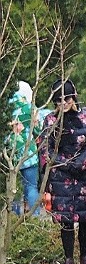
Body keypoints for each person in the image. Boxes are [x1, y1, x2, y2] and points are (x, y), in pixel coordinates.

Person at [37, 79, 86, 264]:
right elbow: (44, 148)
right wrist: (64, 163)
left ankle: (84, 259)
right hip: (62, 175)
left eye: (66, 98)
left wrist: (84, 159)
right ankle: (69, 260)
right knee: (66, 219)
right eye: (58, 100)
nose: (63, 103)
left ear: (73, 97)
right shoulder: (50, 120)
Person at [8, 81, 41, 215]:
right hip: (29, 154)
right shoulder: (30, 108)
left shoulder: (5, 106)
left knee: (13, 190)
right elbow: (39, 130)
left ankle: (13, 221)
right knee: (31, 187)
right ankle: (34, 219)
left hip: (10, 153)